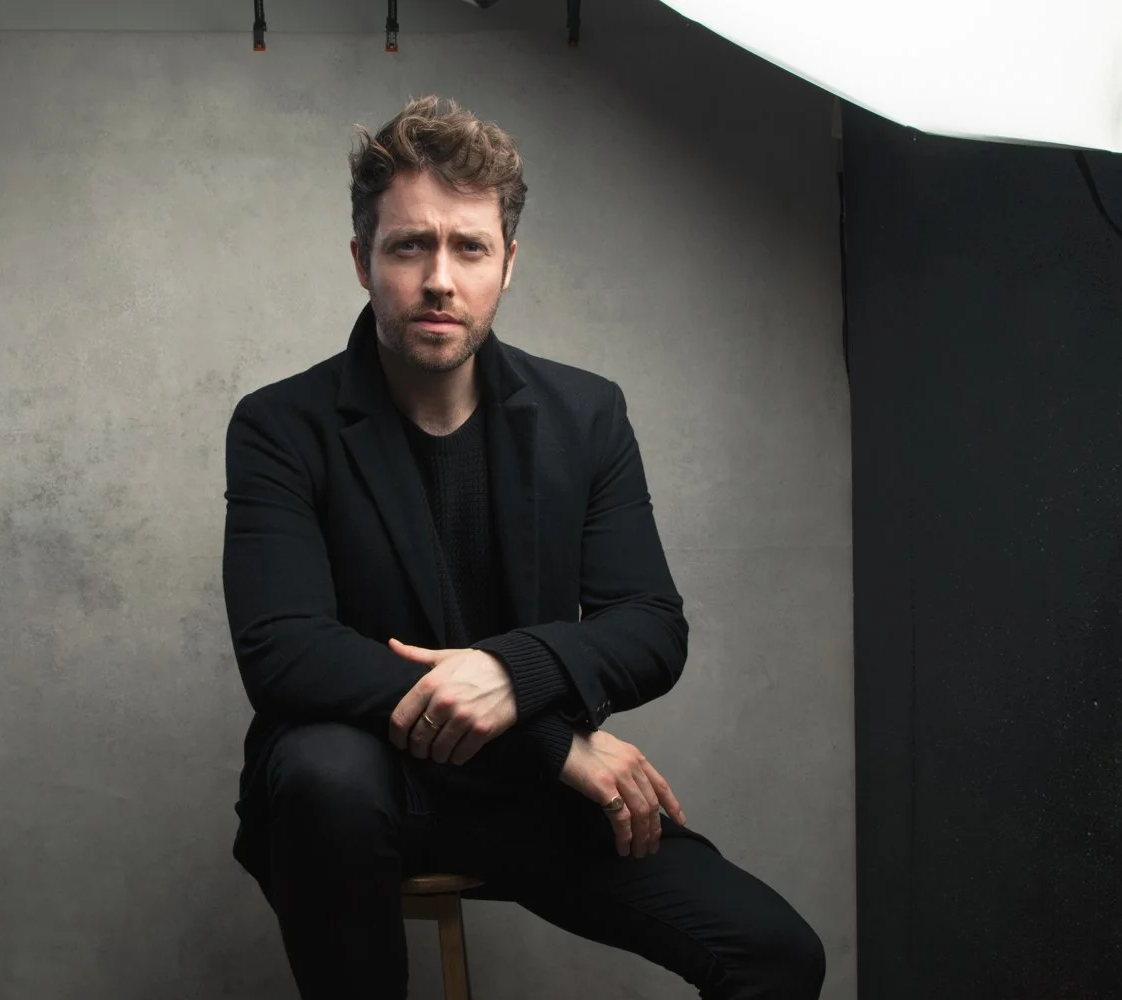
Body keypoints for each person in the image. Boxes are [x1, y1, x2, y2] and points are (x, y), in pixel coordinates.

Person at [220, 95, 825, 999]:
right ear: (362, 261)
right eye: (408, 246)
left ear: (509, 264)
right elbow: (284, 651)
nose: (439, 279)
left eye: (468, 247)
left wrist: (510, 677)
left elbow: (651, 627)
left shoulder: (586, 415)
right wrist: (551, 743)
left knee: (777, 955)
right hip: (361, 803)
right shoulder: (281, 425)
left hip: (527, 808)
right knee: (322, 765)